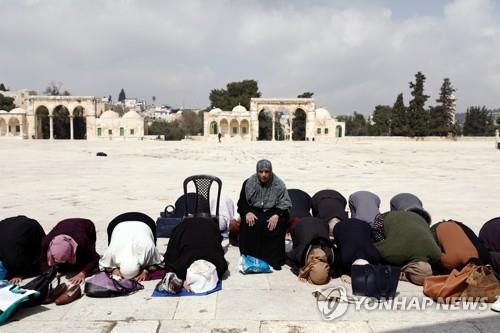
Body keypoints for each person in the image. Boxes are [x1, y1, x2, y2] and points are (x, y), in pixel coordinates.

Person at [237, 159, 292, 269]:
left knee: (278, 223)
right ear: (257, 172)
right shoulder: (249, 183)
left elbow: (285, 203)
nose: (264, 175)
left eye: (266, 172)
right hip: (253, 210)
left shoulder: (278, 184)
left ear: (270, 172)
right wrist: (247, 212)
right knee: (251, 222)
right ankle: (250, 257)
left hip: (273, 210)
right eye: (261, 172)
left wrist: (277, 214)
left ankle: (274, 259)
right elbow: (242, 202)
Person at [162, 216, 228, 293]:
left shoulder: (180, 268)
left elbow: (169, 261)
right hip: (207, 225)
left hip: (206, 225)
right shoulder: (220, 266)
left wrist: (181, 282)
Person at [374, 211, 441, 285]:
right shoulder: (394, 254)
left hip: (417, 217)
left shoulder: (436, 255)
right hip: (385, 218)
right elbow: (374, 249)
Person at [99, 212, 163, 281]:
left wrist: (145, 271)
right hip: (118, 222)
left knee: (151, 242)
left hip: (145, 221)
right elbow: (103, 264)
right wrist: (115, 269)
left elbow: (158, 262)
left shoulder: (149, 247)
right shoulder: (111, 251)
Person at [41, 218, 99, 285]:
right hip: (63, 224)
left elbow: (95, 258)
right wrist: (47, 274)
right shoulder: (46, 242)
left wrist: (83, 273)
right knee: (63, 267)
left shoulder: (82, 241)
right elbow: (43, 260)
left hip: (86, 224)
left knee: (83, 263)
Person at [286, 217, 335, 284]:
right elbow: (287, 258)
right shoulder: (300, 253)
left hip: (322, 223)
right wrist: (299, 272)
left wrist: (301, 272)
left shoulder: (331, 256)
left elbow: (336, 269)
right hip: (302, 224)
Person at [333, 218, 381, 282]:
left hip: (364, 225)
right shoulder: (345, 258)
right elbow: (335, 269)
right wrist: (343, 274)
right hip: (341, 227)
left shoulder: (375, 256)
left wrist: (343, 274)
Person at [0, 216, 46, 283]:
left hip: (31, 229)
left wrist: (20, 275)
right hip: (18, 224)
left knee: (43, 257)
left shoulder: (14, 261)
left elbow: (35, 268)